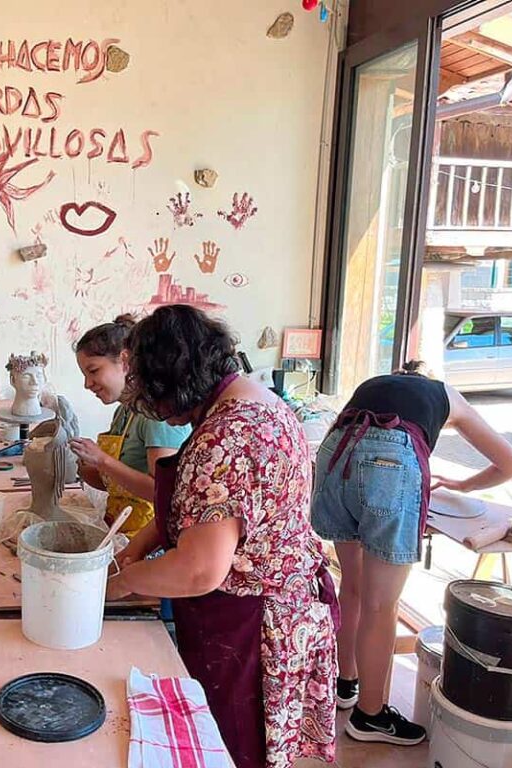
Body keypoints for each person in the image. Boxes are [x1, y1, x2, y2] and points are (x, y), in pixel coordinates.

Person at [107, 305, 337, 768]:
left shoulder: (226, 436)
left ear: (174, 379)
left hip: (248, 624)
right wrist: (138, 547)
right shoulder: (258, 401)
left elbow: (199, 569)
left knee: (234, 749)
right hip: (281, 601)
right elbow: (207, 510)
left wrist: (119, 585)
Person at [312, 359, 512, 746]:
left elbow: (339, 438)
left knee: (354, 587)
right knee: (382, 604)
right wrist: (463, 484)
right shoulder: (446, 394)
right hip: (389, 465)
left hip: (334, 458)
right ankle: (369, 716)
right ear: (428, 377)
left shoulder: (372, 384)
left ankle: (345, 685)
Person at [69, 315, 190, 535]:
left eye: (94, 371)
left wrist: (102, 460)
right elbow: (115, 483)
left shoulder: (157, 417)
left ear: (125, 361)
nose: (87, 384)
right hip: (119, 528)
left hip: (151, 537)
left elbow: (163, 492)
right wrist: (75, 464)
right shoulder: (124, 411)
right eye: (84, 375)